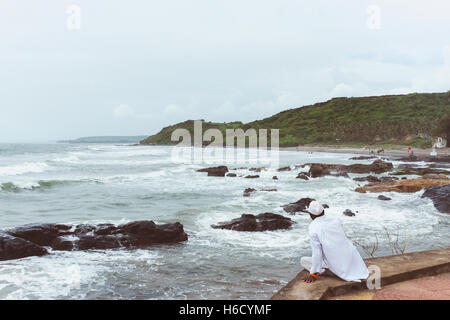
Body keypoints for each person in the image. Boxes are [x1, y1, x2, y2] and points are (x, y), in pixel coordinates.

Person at [300, 201, 369, 283]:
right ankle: (334, 270)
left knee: (303, 261)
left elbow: (317, 253)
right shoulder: (336, 220)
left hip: (338, 265)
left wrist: (313, 274)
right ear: (323, 211)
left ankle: (330, 272)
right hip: (352, 259)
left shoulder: (313, 227)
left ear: (310, 215)